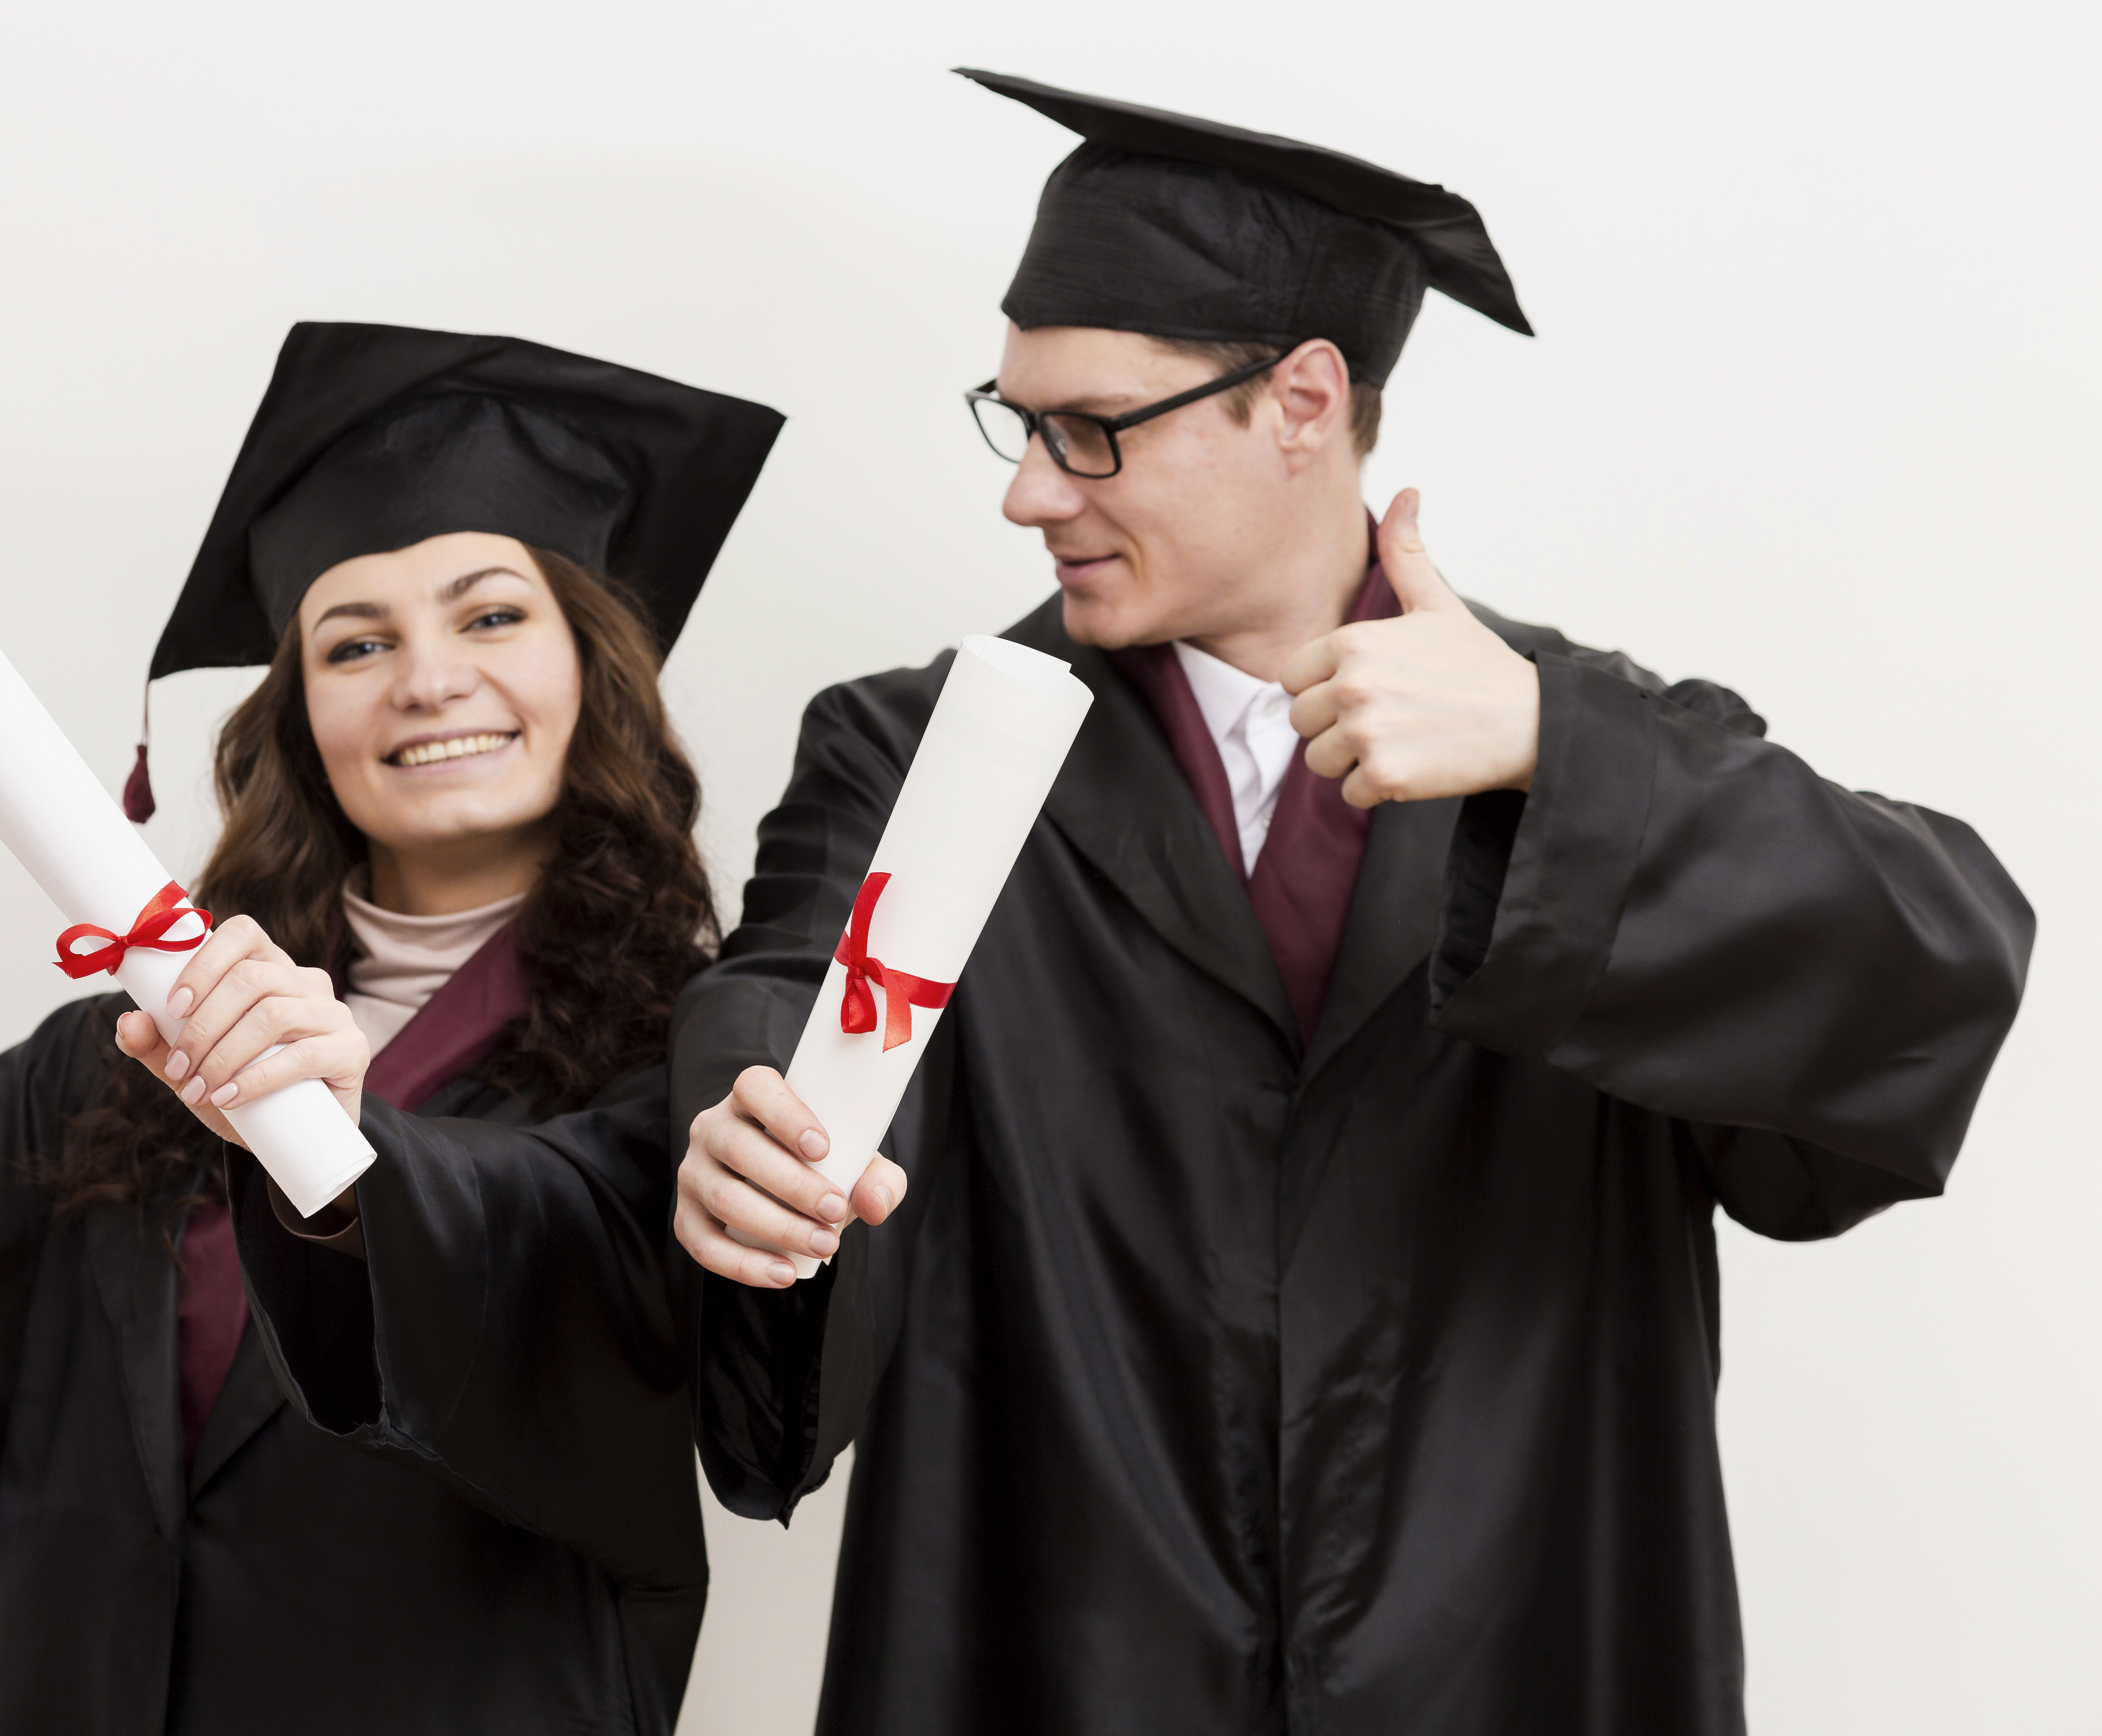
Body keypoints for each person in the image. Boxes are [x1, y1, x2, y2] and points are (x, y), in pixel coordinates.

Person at [669, 71, 2033, 1736]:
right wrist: (741, 1122)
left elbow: (1936, 963)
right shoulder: (918, 751)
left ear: (1302, 401)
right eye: (1015, 420)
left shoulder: (1595, 741)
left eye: (1091, 428)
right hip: (1062, 1648)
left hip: (1512, 1651)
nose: (1028, 490)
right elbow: (791, 994)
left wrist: (1552, 757)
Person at [0, 322, 781, 1736]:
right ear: (302, 714)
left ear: (590, 670)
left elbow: (628, 1339)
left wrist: (344, 1144)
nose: (425, 679)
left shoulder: (690, 1072)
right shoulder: (127, 1066)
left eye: (490, 616)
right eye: (354, 640)